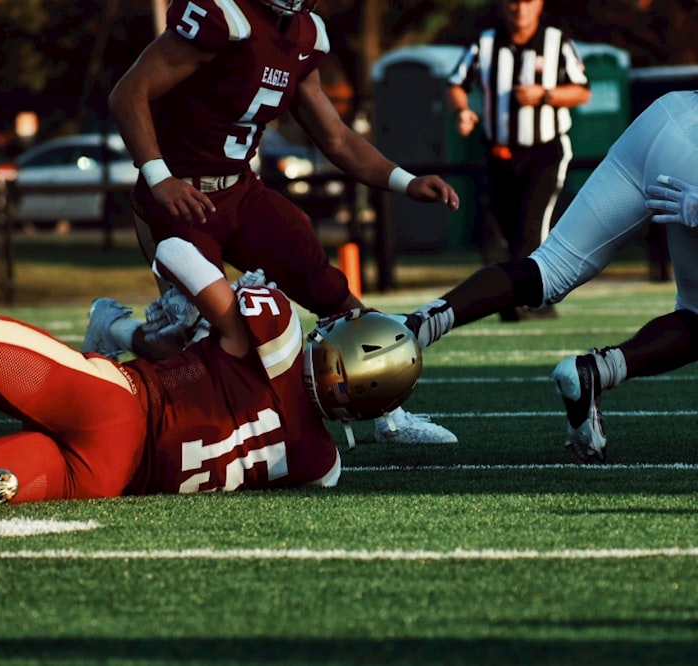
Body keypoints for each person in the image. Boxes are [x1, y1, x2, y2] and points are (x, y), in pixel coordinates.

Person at [0, 237, 423, 515]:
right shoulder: (320, 464)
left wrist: (199, 310)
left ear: (340, 337)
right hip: (119, 479)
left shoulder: (278, 330)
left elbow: (175, 253)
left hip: (121, 404)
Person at [103, 0, 460, 445]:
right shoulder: (222, 16)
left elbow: (335, 137)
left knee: (331, 291)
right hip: (181, 201)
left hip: (240, 191)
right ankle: (114, 328)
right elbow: (128, 93)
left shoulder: (306, 35)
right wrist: (160, 178)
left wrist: (406, 182)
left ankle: (392, 416)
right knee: (193, 343)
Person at [399, 90, 698, 465]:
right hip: (691, 159)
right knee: (695, 315)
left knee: (549, 267)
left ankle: (419, 322)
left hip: (668, 114)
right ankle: (598, 370)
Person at [447, 0, 590, 320]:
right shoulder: (484, 43)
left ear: (540, 4)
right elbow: (456, 84)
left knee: (531, 228)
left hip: (545, 151)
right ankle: (514, 299)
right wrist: (463, 111)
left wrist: (545, 95)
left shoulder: (556, 41)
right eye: (513, 1)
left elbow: (582, 91)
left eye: (527, 1)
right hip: (499, 153)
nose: (520, 9)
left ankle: (529, 300)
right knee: (502, 231)